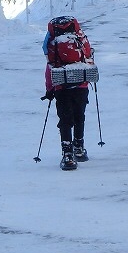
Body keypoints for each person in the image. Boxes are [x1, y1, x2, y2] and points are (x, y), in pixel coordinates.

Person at [42, 16, 93, 171]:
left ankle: (67, 155)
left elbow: (49, 65)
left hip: (61, 85)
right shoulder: (80, 35)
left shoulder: (51, 39)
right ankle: (79, 147)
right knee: (79, 116)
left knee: (65, 119)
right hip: (81, 84)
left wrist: (50, 88)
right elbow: (89, 57)